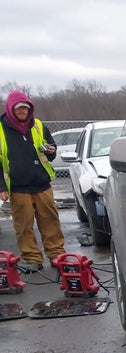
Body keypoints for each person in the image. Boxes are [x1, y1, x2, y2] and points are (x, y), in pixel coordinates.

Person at [0, 90, 65, 272]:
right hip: (18, 188)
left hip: (42, 185)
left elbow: (51, 152)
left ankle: (56, 253)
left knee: (50, 221)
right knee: (23, 226)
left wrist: (51, 151)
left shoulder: (38, 126)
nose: (23, 111)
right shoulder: (1, 130)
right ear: (11, 109)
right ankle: (32, 258)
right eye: (19, 108)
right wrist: (1, 187)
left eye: (25, 108)